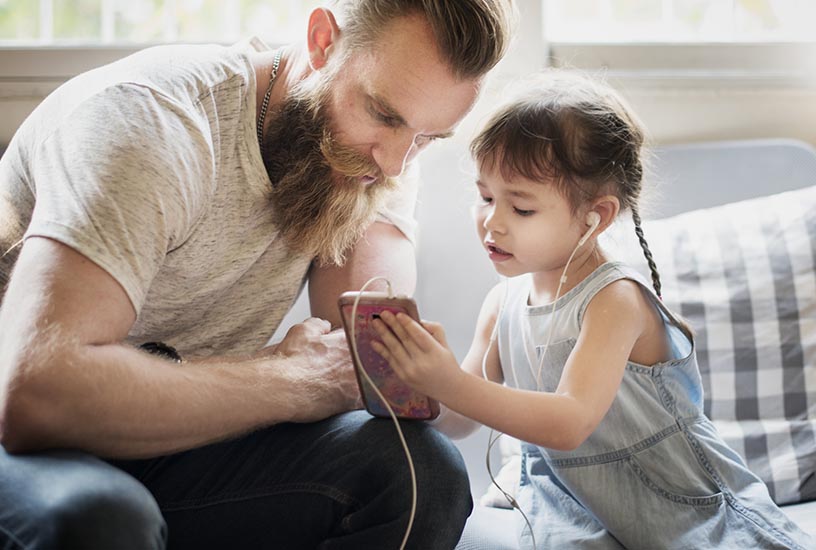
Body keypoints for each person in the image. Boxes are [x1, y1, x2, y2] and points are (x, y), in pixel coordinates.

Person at [0, 1, 514, 548]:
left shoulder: (375, 158)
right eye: (385, 116)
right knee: (103, 517)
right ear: (322, 42)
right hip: (29, 441)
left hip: (179, 441)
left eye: (429, 137)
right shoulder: (154, 124)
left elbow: (362, 348)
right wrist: (293, 382)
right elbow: (36, 395)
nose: (395, 162)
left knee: (420, 475)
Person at [370, 71, 816, 549]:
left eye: (521, 209)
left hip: (680, 507)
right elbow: (460, 420)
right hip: (577, 512)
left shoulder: (614, 299)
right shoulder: (502, 305)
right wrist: (415, 386)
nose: (491, 222)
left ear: (595, 216)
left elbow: (569, 422)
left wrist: (450, 383)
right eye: (484, 197)